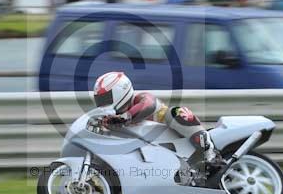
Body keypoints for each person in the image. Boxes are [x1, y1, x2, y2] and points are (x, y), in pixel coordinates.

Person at [93, 71, 224, 186]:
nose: (103, 103)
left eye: (105, 98)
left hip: (175, 138)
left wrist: (125, 117)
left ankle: (210, 153)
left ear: (120, 91)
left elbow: (148, 104)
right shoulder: (110, 120)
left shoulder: (141, 98)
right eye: (100, 100)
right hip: (151, 156)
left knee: (176, 112)